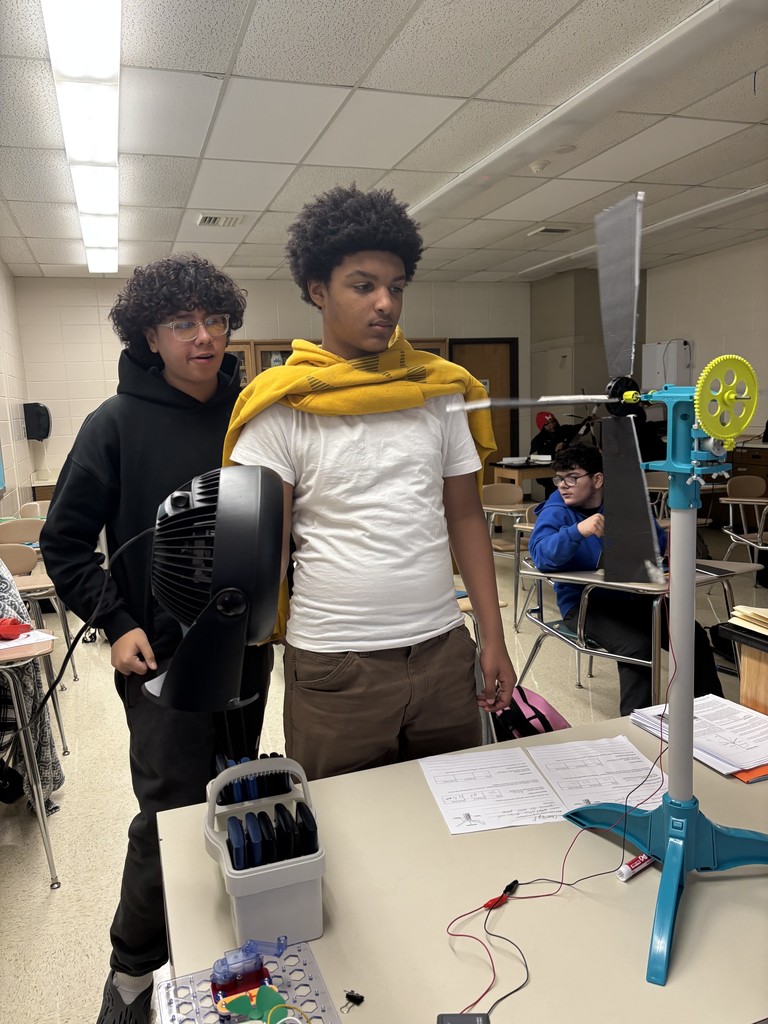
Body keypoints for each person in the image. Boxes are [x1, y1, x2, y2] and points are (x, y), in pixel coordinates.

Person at [40, 255, 272, 1024]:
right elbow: (65, 542)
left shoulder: (254, 414)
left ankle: (229, 959)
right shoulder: (115, 422)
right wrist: (117, 621)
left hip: (251, 646)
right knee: (168, 814)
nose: (204, 337)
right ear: (151, 334)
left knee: (239, 790)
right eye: (183, 324)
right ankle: (133, 973)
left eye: (215, 320)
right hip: (159, 656)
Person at [224, 184, 517, 781]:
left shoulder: (438, 394)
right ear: (317, 290)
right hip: (336, 667)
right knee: (349, 837)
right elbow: (262, 557)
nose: (386, 303)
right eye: (364, 286)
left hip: (442, 649)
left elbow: (464, 518)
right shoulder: (281, 409)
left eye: (397, 287)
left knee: (458, 815)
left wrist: (492, 635)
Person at [528, 443, 724, 716]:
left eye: (572, 477)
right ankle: (635, 728)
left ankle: (713, 715)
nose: (563, 485)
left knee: (691, 635)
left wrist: (658, 543)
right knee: (637, 648)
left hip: (633, 597)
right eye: (559, 478)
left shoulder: (624, 503)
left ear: (597, 479)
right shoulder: (557, 510)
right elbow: (541, 555)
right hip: (585, 604)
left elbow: (657, 546)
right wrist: (577, 532)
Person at [529, 411, 575, 497]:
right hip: (547, 472)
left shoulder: (564, 430)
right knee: (552, 489)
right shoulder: (537, 440)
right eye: (547, 423)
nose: (552, 425)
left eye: (553, 422)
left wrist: (587, 421)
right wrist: (554, 450)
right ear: (542, 426)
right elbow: (534, 457)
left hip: (566, 468)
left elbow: (578, 429)